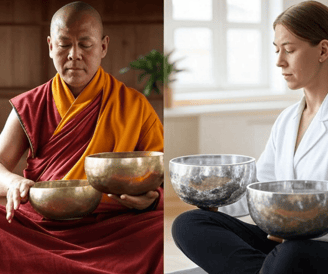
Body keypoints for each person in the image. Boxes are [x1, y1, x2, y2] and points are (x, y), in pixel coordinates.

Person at [0, 2, 163, 273]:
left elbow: (164, 174)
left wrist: (154, 199)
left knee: (161, 232)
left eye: (85, 45)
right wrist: (14, 181)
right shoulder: (30, 105)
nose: (74, 55)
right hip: (43, 226)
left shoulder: (133, 105)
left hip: (114, 227)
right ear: (51, 46)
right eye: (64, 44)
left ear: (103, 47)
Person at [172, 1, 328, 273]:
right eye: (277, 49)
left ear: (323, 50)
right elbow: (260, 186)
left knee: (291, 254)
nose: (279, 61)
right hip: (284, 242)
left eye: (289, 50)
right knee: (189, 224)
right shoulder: (287, 120)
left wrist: (297, 228)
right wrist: (212, 199)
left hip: (315, 245)